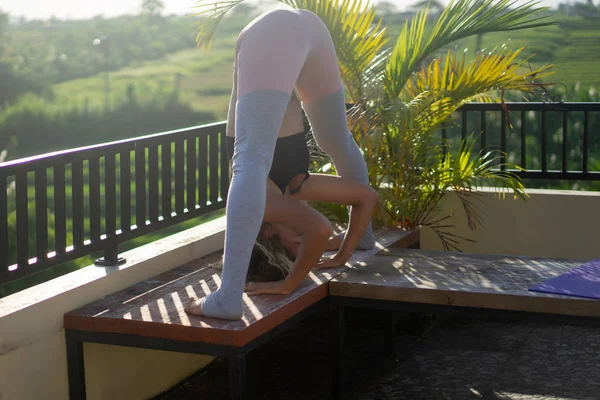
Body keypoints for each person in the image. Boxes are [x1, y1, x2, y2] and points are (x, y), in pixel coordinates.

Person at [185, 8, 376, 320]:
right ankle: (368, 237)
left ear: (269, 233)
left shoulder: (267, 207)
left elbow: (319, 228)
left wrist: (289, 284)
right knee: (337, 140)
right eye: (300, 246)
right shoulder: (298, 187)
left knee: (250, 158)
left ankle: (228, 297)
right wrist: (350, 246)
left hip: (272, 33)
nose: (302, 240)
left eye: (293, 243)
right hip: (309, 26)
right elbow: (367, 197)